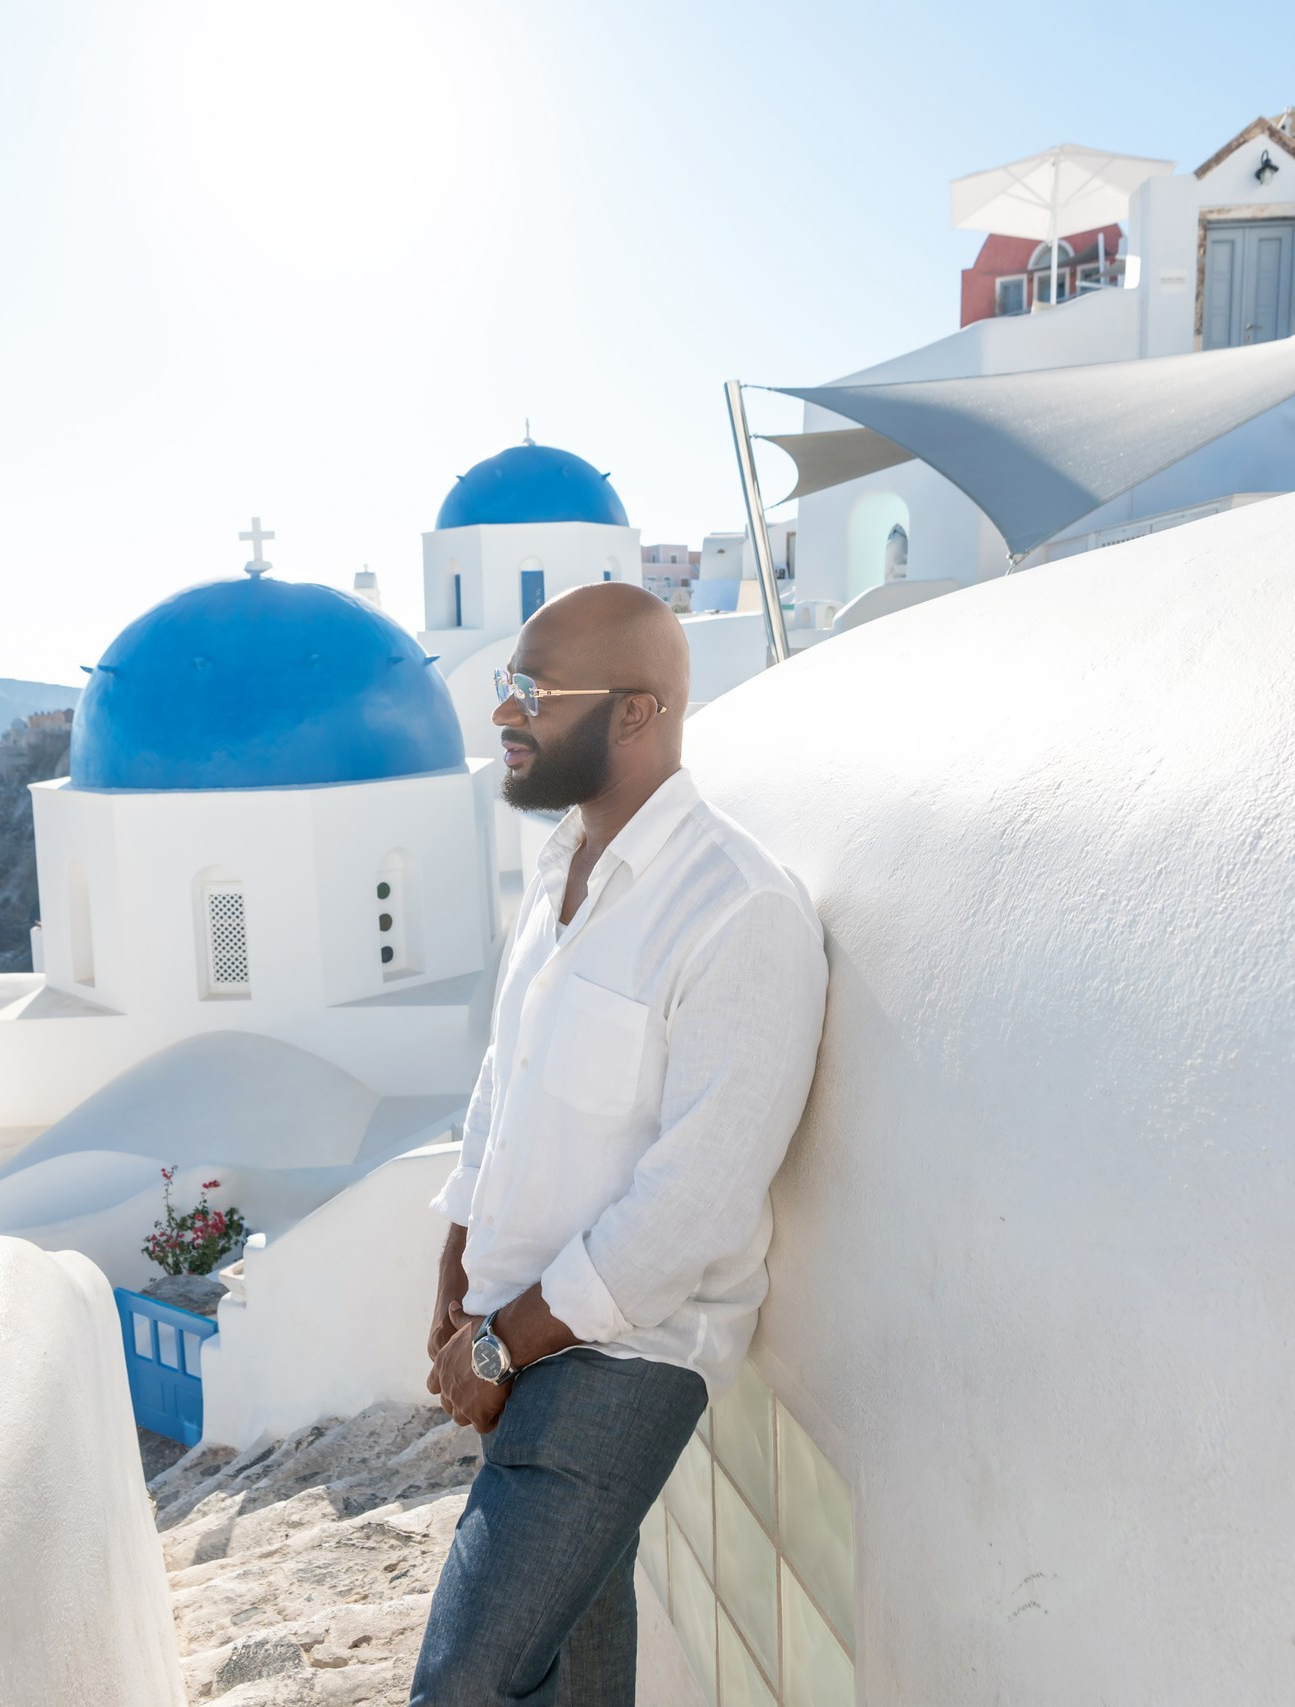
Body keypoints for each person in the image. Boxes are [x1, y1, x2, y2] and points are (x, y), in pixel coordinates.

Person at [410, 582, 829, 1705]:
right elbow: (504, 1088)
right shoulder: (557, 868)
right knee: (566, 1682)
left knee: (462, 1682)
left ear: (636, 714)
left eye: (529, 693)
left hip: (622, 1351)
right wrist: (458, 1288)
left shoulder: (740, 912)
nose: (503, 714)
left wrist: (501, 1345)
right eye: (504, 687)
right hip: (517, 1325)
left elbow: (690, 1207)